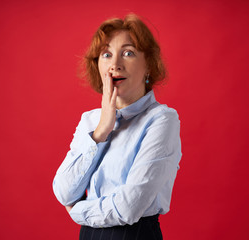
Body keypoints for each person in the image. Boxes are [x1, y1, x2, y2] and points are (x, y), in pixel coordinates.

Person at [53, 14, 182, 240]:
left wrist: (78, 211)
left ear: (149, 65)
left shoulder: (162, 120)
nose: (115, 65)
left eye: (128, 53)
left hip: (134, 235)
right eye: (106, 54)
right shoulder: (91, 121)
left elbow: (129, 206)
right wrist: (102, 129)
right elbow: (64, 191)